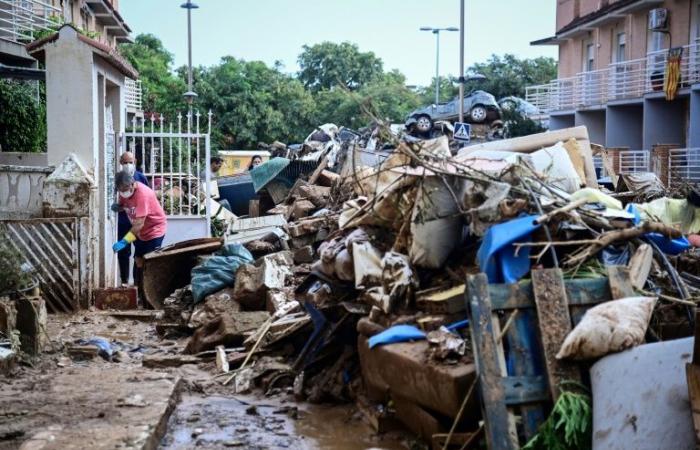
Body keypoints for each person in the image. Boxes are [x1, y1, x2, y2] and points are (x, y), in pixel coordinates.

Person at [112, 170, 167, 295]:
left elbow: (138, 224)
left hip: (154, 229)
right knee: (138, 260)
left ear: (132, 184)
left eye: (125, 188)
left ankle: (151, 294)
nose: (123, 191)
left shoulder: (143, 194)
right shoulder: (123, 192)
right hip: (141, 232)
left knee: (149, 261)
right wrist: (119, 207)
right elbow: (124, 205)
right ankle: (138, 292)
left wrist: (124, 242)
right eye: (120, 189)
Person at [115, 152, 149, 285]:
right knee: (123, 252)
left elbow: (147, 197)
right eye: (125, 162)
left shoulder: (141, 178)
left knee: (139, 254)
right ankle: (124, 281)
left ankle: (137, 283)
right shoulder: (118, 178)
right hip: (124, 222)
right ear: (120, 162)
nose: (128, 165)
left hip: (138, 223)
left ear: (135, 161)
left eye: (130, 162)